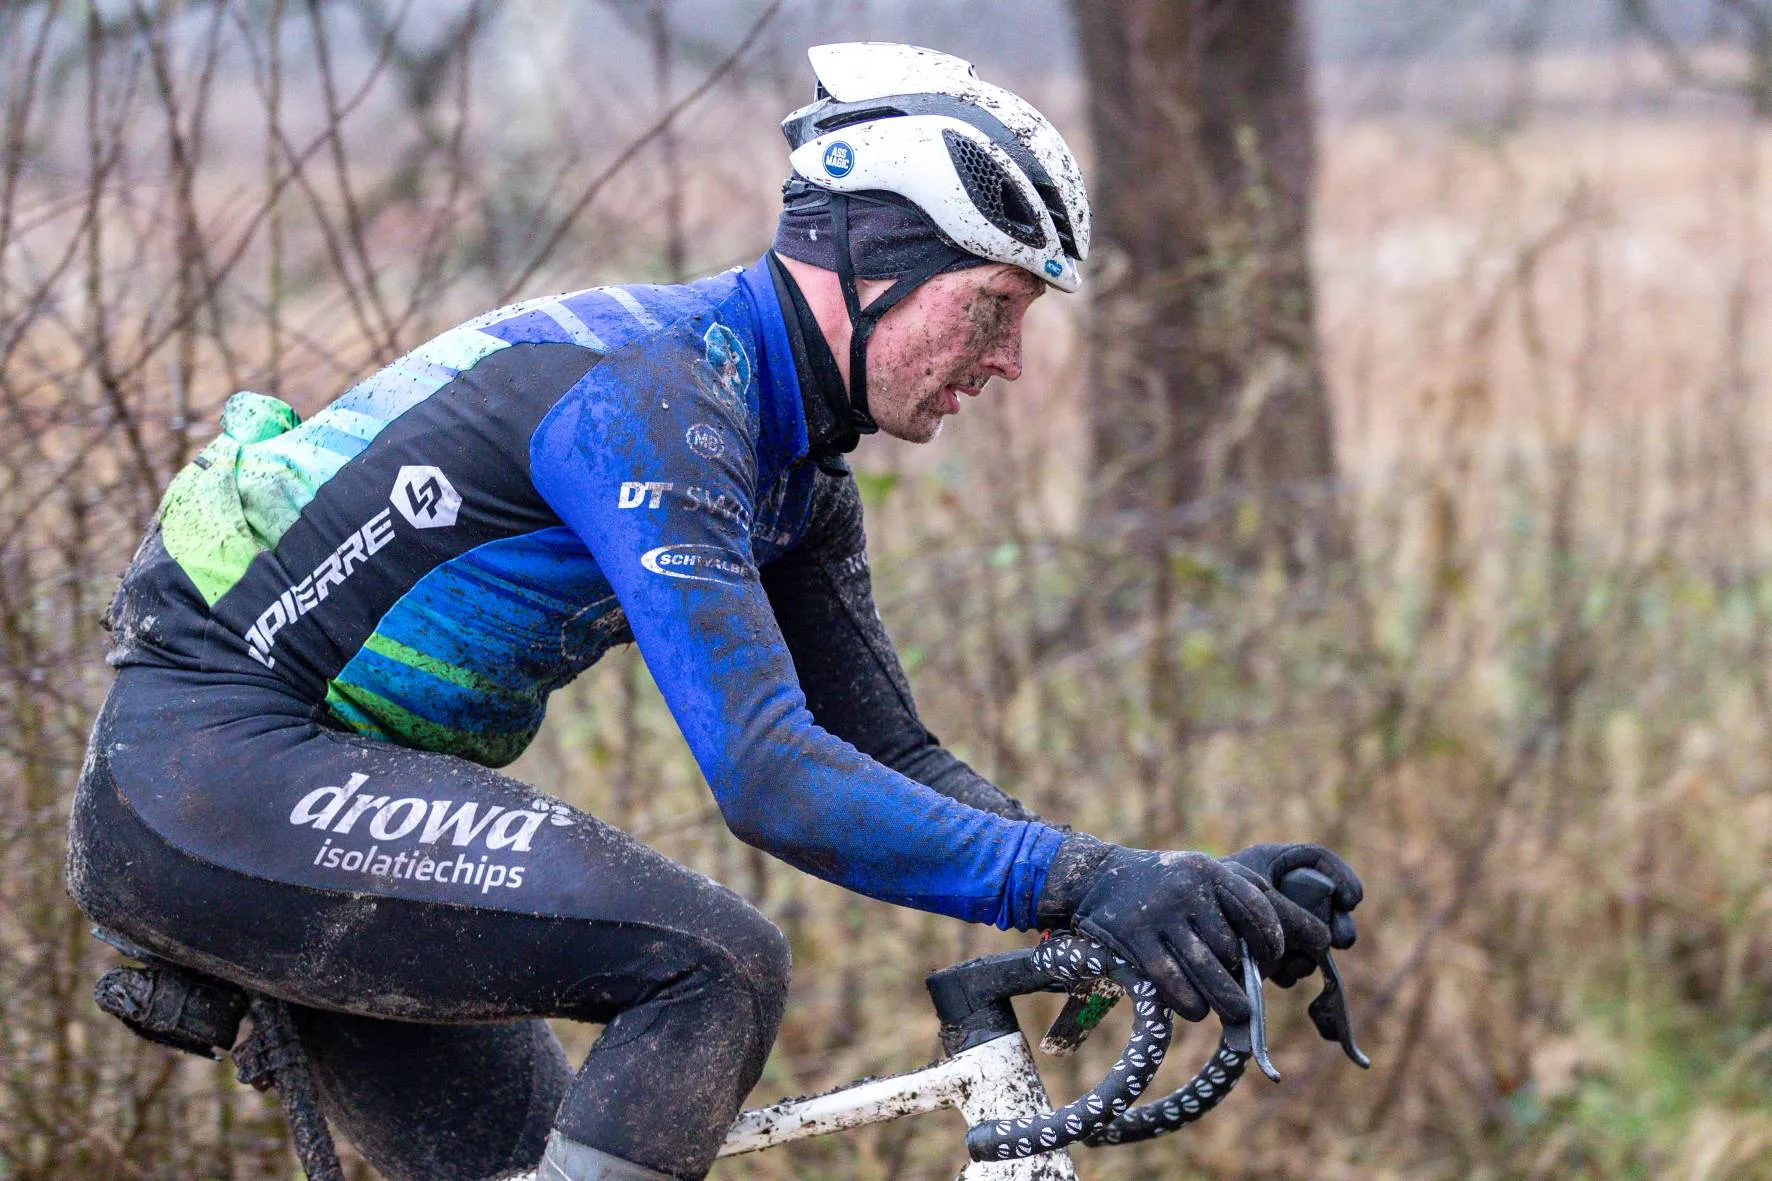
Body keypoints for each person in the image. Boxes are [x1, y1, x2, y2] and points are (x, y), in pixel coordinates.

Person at [66, 42, 1361, 1181]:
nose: (1006, 362)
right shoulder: (656, 394)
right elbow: (769, 777)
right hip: (206, 774)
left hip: (309, 797)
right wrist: (1087, 882)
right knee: (712, 964)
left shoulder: (791, 474)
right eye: (993, 308)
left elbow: (888, 756)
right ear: (872, 264)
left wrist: (1148, 884)